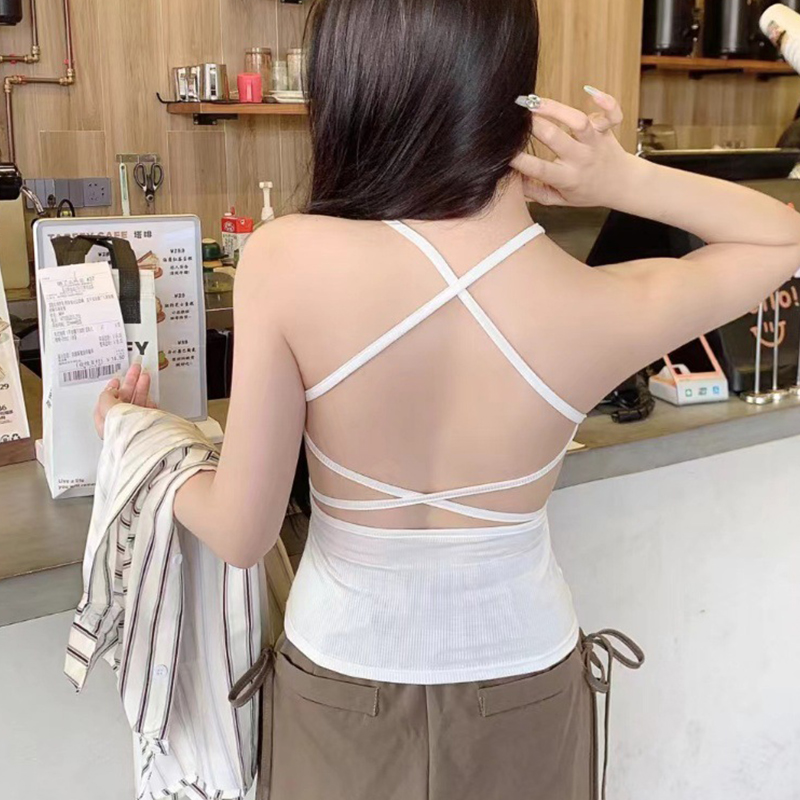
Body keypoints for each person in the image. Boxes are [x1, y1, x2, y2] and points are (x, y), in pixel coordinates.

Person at [95, 0, 800, 797]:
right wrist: (621, 177)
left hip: (342, 690)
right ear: (512, 88)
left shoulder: (288, 258)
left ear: (353, 85)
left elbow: (240, 530)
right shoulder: (586, 302)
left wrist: (139, 435)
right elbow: (781, 239)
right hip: (527, 690)